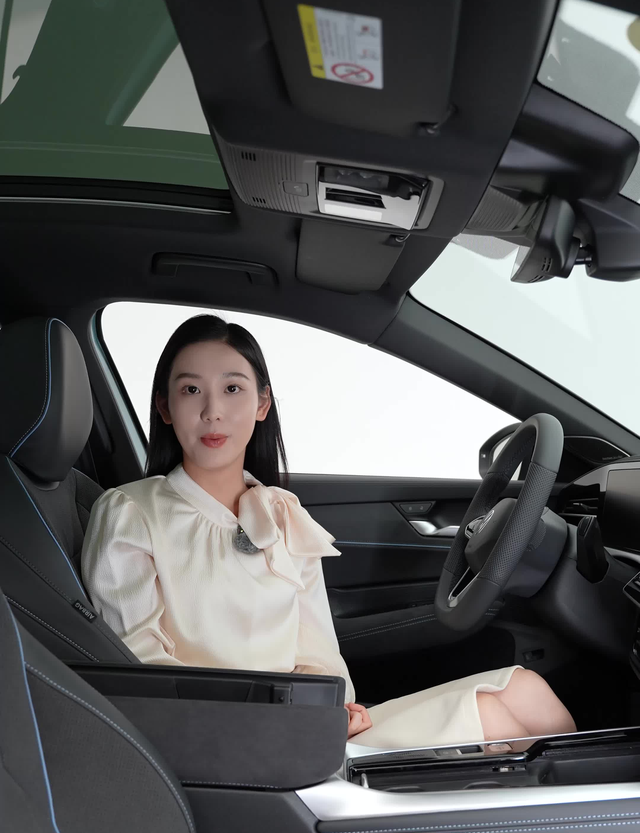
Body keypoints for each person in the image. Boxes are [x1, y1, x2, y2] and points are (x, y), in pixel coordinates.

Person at [81, 315, 575, 750]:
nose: (212, 410)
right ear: (165, 406)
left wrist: (332, 704)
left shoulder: (282, 512)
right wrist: (287, 714)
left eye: (232, 389)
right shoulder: (130, 512)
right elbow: (140, 666)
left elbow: (317, 647)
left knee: (527, 691)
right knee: (492, 719)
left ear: (262, 403)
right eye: (191, 390)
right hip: (226, 736)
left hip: (305, 722)